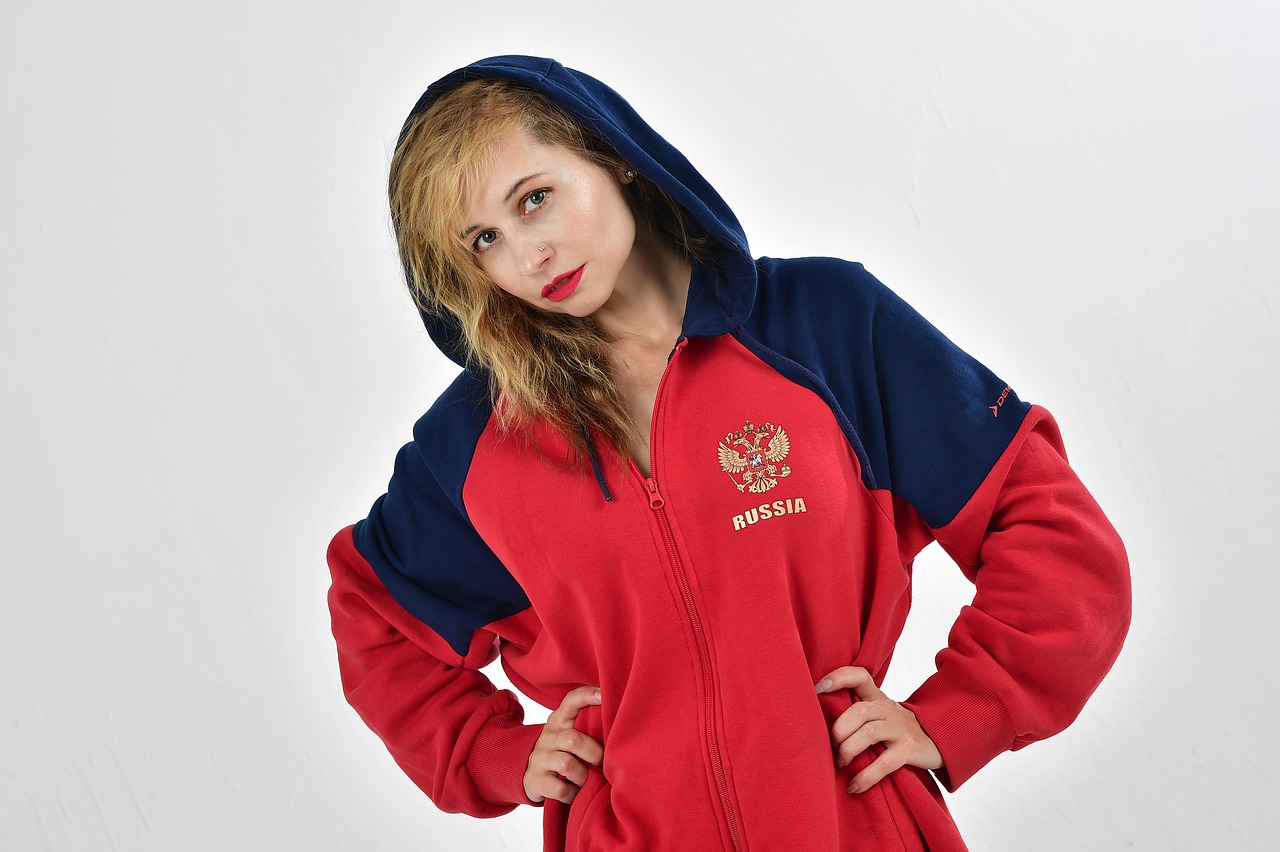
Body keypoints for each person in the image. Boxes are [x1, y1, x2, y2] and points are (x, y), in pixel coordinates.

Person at [327, 55, 1131, 851]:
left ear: (614, 156)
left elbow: (1052, 532)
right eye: (485, 240)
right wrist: (491, 754)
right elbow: (375, 617)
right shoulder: (475, 441)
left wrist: (961, 712)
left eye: (535, 199)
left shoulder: (822, 329)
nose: (526, 256)